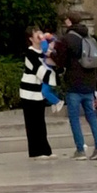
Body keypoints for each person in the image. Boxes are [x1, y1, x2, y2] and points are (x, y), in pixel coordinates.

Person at [56, 15, 97, 159]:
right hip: (89, 84)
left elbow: (61, 61)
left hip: (74, 85)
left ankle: (80, 150)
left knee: (74, 118)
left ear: (69, 22)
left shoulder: (67, 39)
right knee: (91, 116)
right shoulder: (89, 37)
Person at [18, 26, 58, 161]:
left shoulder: (43, 52)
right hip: (29, 93)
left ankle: (45, 150)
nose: (40, 35)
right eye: (36, 33)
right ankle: (35, 151)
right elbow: (40, 72)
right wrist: (52, 72)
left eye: (40, 32)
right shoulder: (30, 53)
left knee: (41, 121)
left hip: (39, 93)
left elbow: (53, 66)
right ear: (31, 38)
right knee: (32, 122)